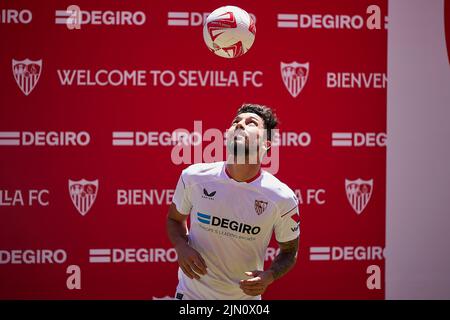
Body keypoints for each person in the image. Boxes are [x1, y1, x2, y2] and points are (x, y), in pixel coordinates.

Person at [166, 103, 300, 300]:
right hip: (190, 297)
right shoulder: (194, 177)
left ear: (266, 144)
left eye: (250, 122)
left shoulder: (282, 198)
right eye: (236, 122)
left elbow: (290, 250)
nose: (239, 125)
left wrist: (269, 276)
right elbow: (174, 219)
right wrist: (181, 245)